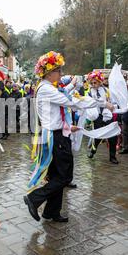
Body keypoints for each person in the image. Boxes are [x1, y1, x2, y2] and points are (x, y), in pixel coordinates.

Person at [24, 51, 97, 223]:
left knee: (57, 175)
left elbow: (54, 115)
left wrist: (67, 126)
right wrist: (103, 103)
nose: (61, 74)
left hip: (57, 133)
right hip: (55, 137)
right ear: (49, 73)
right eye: (58, 71)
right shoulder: (47, 89)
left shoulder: (47, 88)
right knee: (64, 176)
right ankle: (34, 198)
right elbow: (72, 102)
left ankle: (51, 212)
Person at [86, 71, 118, 164]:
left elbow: (112, 101)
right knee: (98, 135)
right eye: (91, 83)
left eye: (95, 82)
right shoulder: (89, 92)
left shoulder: (106, 90)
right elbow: (92, 102)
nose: (93, 84)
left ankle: (112, 156)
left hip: (107, 115)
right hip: (97, 116)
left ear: (100, 81)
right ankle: (93, 150)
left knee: (112, 135)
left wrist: (113, 107)